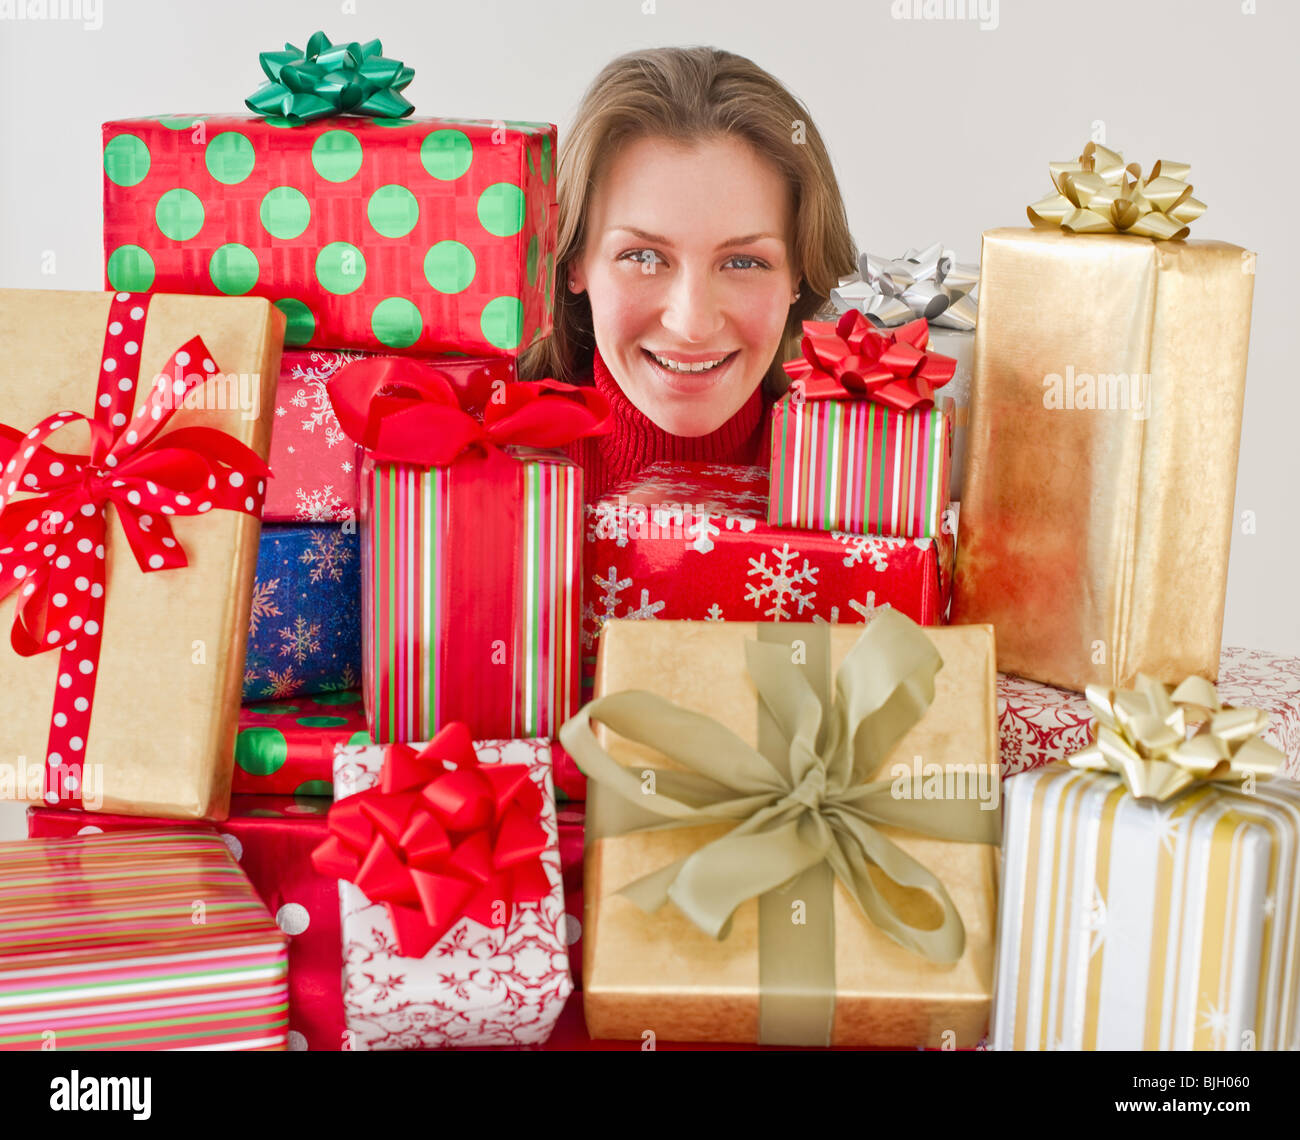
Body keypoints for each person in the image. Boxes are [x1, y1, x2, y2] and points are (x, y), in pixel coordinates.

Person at [519, 46, 857, 499]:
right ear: (573, 259)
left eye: (743, 262)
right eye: (643, 257)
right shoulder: (486, 468)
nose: (692, 326)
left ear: (799, 273)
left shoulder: (862, 476)